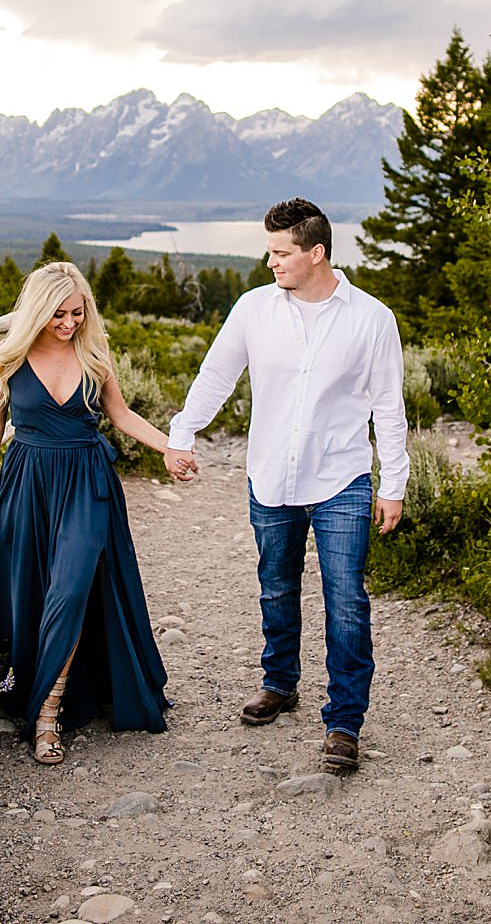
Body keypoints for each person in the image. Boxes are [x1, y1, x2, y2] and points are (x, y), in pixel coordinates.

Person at [165, 198, 408, 774]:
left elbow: (388, 408)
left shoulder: (372, 319)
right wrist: (183, 432)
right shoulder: (254, 310)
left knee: (346, 599)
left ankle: (345, 721)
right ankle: (280, 683)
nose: (269, 261)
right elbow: (217, 375)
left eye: (280, 252)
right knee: (276, 587)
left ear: (316, 253)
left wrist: (393, 483)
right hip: (270, 474)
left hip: (341, 477)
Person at [0, 261, 191, 764]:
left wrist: (169, 449)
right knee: (37, 593)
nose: (69, 323)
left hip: (87, 484)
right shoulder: (6, 360)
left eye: (77, 312)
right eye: (58, 315)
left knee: (69, 590)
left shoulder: (93, 355)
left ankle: (46, 716)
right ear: (36, 313)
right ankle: (44, 689)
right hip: (28, 483)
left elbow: (121, 415)